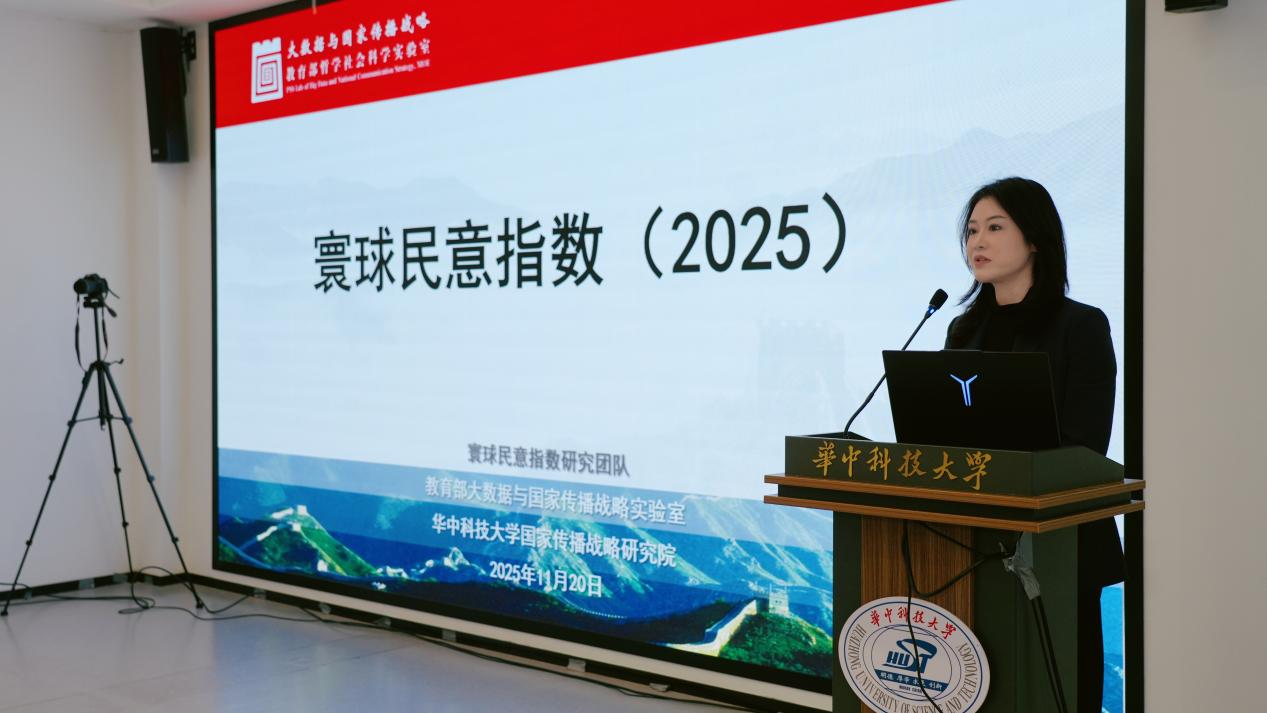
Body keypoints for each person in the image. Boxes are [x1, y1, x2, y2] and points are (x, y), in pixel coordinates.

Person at [945, 177, 1122, 712]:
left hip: (1058, 544)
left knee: (1060, 687)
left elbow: (1084, 446)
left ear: (1036, 239)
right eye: (972, 230)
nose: (978, 241)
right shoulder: (962, 331)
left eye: (995, 227)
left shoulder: (1080, 327)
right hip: (969, 542)